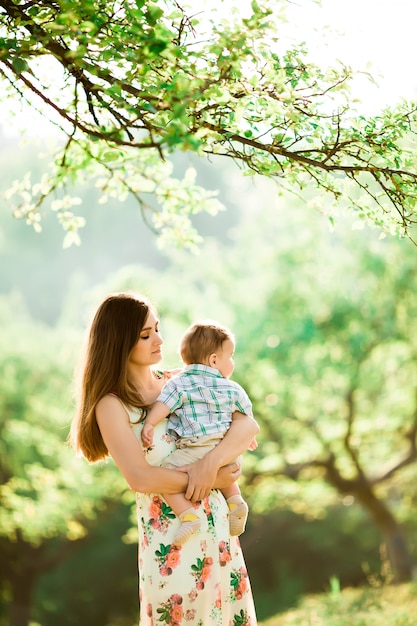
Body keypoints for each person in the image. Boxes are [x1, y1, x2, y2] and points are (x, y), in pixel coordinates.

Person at [70, 291, 259, 626]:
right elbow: (140, 478)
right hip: (172, 542)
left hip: (220, 533)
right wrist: (209, 478)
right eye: (146, 335)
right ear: (119, 342)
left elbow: (245, 424)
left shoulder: (181, 380)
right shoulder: (111, 405)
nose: (159, 339)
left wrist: (210, 462)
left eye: (157, 328)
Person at [141, 320, 257, 546]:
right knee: (221, 467)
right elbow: (246, 416)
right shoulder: (232, 387)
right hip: (226, 447)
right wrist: (249, 439)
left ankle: (188, 516)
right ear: (214, 360)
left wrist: (149, 424)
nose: (232, 362)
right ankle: (235, 500)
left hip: (196, 446)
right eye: (230, 356)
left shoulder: (179, 382)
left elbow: (164, 405)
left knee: (167, 469)